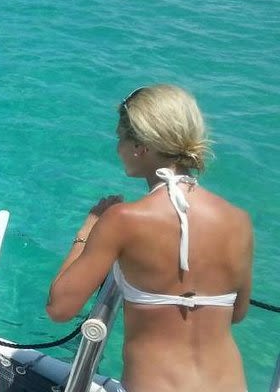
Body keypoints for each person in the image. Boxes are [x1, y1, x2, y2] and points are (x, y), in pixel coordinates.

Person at [46, 84, 253, 392]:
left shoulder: (124, 220)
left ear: (140, 146)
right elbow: (237, 314)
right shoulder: (238, 220)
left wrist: (87, 231)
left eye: (120, 137)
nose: (117, 147)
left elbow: (59, 308)